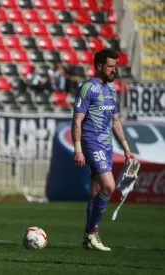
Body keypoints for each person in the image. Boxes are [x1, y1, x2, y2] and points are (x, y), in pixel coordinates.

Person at [72, 49, 134, 251]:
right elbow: (77, 120)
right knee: (109, 186)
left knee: (96, 191)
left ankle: (87, 238)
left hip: (107, 145)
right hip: (91, 143)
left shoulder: (112, 90)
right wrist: (78, 149)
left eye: (115, 66)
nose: (114, 70)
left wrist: (126, 148)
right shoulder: (87, 88)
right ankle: (93, 233)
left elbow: (116, 121)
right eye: (110, 66)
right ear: (99, 65)